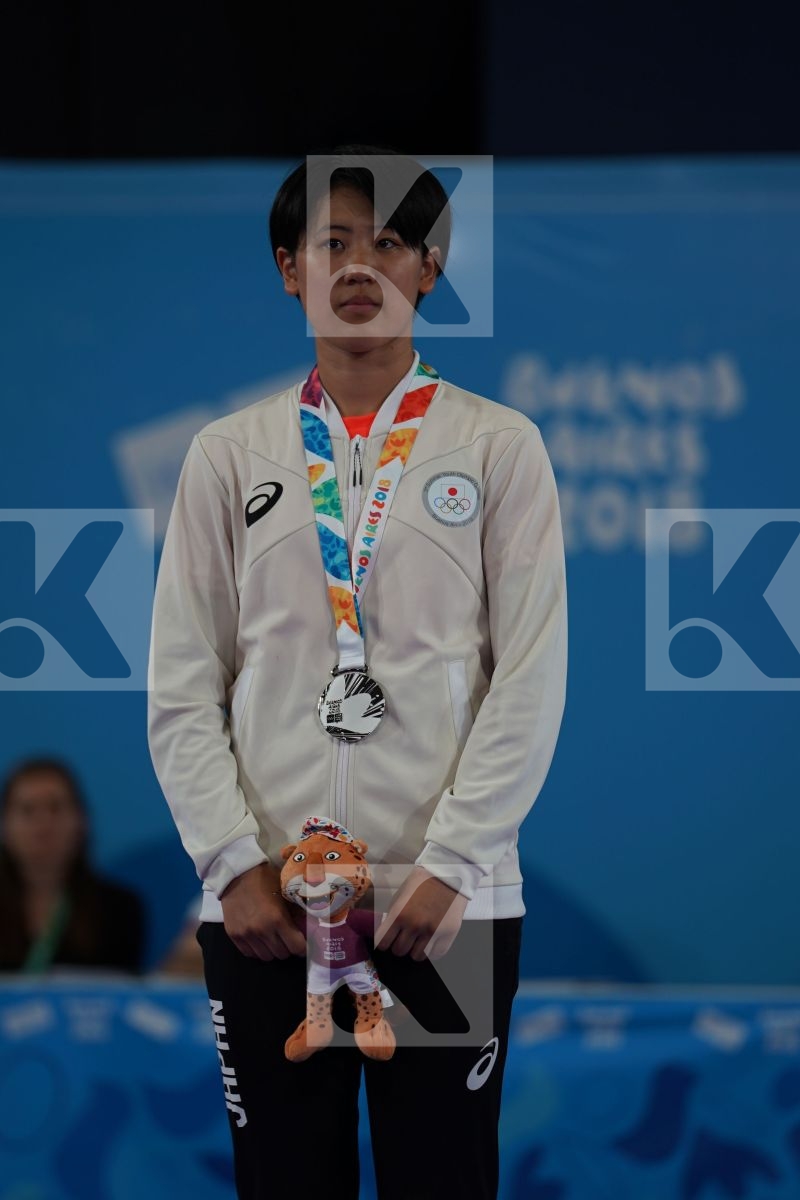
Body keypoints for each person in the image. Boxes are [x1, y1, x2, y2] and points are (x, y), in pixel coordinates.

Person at [147, 145, 568, 1199]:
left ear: (430, 266)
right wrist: (230, 866)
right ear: (289, 269)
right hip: (266, 906)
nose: (358, 266)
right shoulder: (227, 454)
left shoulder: (498, 447)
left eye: (386, 242)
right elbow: (183, 681)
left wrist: (455, 863)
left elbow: (527, 674)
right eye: (331, 242)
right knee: (283, 1182)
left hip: (445, 905)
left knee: (443, 1181)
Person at [0, 756, 146, 974]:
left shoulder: (120, 909)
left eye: (55, 808)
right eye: (27, 810)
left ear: (81, 820)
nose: (43, 823)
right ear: (5, 825)